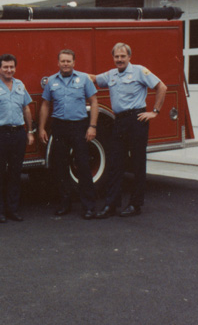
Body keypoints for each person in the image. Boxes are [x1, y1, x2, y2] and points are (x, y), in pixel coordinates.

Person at [91, 42, 167, 218]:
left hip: (136, 120)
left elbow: (161, 87)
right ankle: (111, 205)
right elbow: (94, 78)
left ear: (129, 57)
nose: (119, 60)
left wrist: (154, 112)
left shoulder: (140, 71)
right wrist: (73, 71)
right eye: (116, 57)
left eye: (122, 56)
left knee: (137, 164)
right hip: (119, 121)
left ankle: (135, 204)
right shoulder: (111, 75)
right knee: (115, 164)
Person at [39, 49, 99, 219]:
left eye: (68, 61)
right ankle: (65, 203)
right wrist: (42, 127)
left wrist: (92, 126)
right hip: (59, 127)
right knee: (60, 166)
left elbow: (94, 102)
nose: (65, 64)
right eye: (63, 61)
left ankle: (89, 206)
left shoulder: (84, 79)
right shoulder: (51, 81)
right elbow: (45, 105)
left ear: (74, 63)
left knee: (83, 166)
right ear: (58, 63)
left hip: (79, 126)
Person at [0, 54, 35, 223]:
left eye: (11, 67)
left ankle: (13, 209)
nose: (9, 70)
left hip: (18, 133)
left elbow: (26, 108)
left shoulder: (20, 85)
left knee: (15, 173)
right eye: (5, 67)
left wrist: (30, 131)